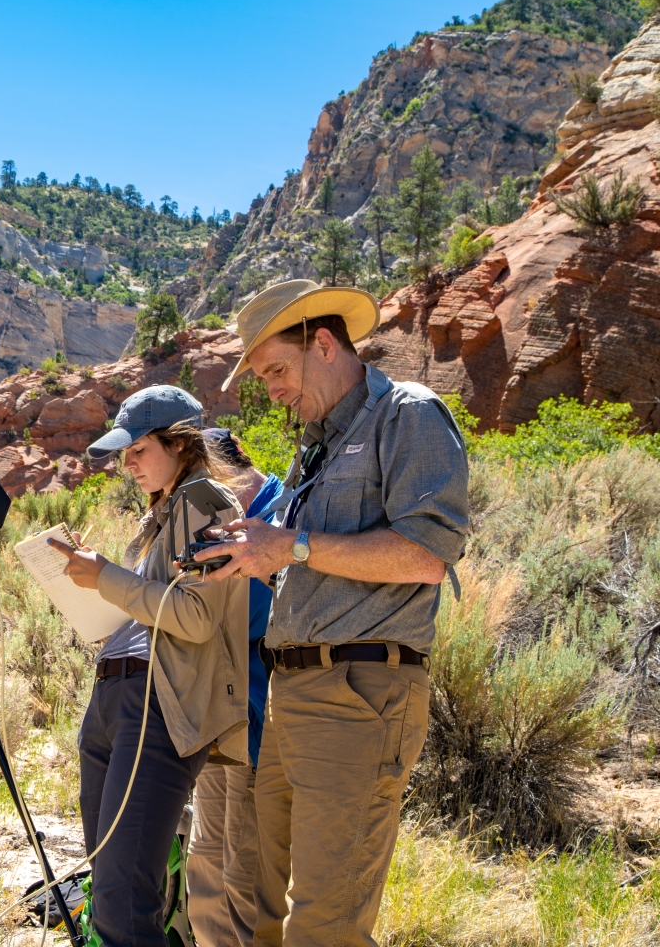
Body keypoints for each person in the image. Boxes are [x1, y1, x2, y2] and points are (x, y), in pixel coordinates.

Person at [195, 279, 470, 947]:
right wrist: (256, 555)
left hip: (359, 695)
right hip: (290, 695)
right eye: (262, 378)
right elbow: (306, 557)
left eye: (277, 371)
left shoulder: (408, 414)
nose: (273, 390)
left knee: (325, 923)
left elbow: (427, 555)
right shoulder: (315, 446)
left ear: (323, 343)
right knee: (263, 913)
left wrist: (291, 545)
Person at [47, 384, 250, 947]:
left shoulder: (202, 502)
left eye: (138, 450)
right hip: (118, 698)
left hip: (153, 707)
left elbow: (196, 617)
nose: (127, 464)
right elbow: (149, 608)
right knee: (110, 879)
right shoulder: (163, 513)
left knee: (121, 900)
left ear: (180, 444)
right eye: (124, 454)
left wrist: (107, 577)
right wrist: (96, 585)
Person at [187, 428, 283, 947]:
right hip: (216, 720)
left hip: (262, 719)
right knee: (205, 863)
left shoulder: (284, 513)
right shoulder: (210, 525)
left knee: (243, 869)